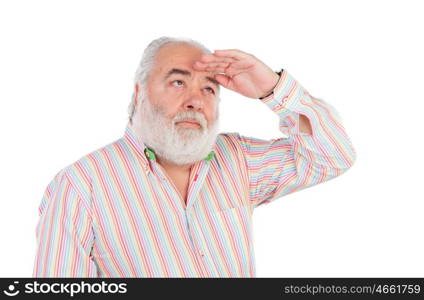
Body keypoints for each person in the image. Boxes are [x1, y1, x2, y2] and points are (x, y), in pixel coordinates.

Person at [32, 36, 356, 278]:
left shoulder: (236, 159)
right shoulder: (79, 187)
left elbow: (333, 156)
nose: (195, 101)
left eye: (208, 89)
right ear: (139, 92)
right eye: (177, 82)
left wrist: (272, 89)